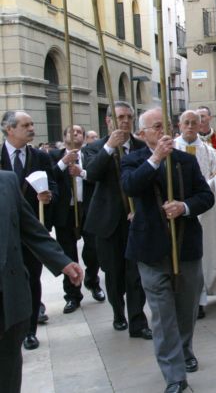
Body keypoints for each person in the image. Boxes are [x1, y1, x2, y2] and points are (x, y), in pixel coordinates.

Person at [121, 108, 214, 393]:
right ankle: (174, 375)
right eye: (156, 127)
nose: (163, 132)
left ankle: (184, 349)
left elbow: (205, 196)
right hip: (150, 250)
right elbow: (130, 186)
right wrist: (156, 159)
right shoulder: (133, 160)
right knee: (162, 315)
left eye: (165, 126)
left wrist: (184, 207)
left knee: (186, 309)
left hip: (185, 246)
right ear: (142, 134)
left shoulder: (186, 160)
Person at [0, 170, 82, 393]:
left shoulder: (7, 181)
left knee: (7, 372)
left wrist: (63, 262)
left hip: (9, 298)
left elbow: (31, 228)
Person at [83, 102, 151, 339]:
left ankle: (138, 321)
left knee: (136, 274)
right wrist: (110, 147)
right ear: (109, 120)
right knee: (113, 273)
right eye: (120, 117)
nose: (125, 121)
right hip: (108, 221)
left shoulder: (141, 146)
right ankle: (118, 312)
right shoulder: (95, 147)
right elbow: (91, 174)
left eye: (129, 117)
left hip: (136, 220)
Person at [1, 111, 58, 351]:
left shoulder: (40, 157)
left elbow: (53, 184)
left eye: (32, 124)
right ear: (9, 129)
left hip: (32, 229)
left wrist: (48, 195)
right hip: (5, 234)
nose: (32, 128)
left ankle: (30, 330)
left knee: (32, 279)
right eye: (26, 125)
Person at [49, 125, 105, 315]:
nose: (75, 134)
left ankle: (92, 281)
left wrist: (81, 172)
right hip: (66, 211)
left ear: (84, 137)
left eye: (79, 132)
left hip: (88, 209)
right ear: (64, 136)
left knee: (93, 250)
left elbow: (98, 177)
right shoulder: (54, 156)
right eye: (71, 132)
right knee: (68, 253)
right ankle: (72, 295)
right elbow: (49, 177)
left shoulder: (91, 155)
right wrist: (63, 163)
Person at [174, 110, 216, 319]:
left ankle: (199, 300)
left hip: (204, 212)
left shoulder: (210, 152)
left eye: (195, 122)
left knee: (200, 257)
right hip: (177, 212)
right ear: (179, 125)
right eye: (186, 122)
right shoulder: (171, 149)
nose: (190, 126)